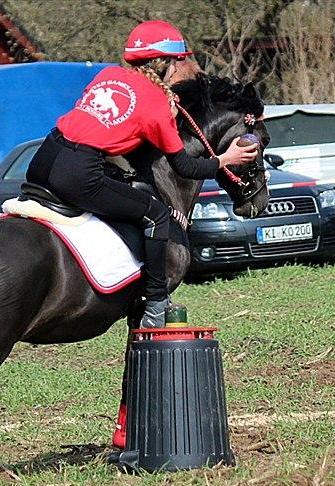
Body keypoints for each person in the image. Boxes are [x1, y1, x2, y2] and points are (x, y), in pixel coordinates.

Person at [26, 20, 258, 328]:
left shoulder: (108, 75)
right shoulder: (156, 106)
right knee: (157, 215)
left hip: (44, 158)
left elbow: (105, 129)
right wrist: (224, 159)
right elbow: (186, 167)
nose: (186, 67)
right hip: (78, 171)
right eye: (182, 60)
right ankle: (155, 303)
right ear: (168, 66)